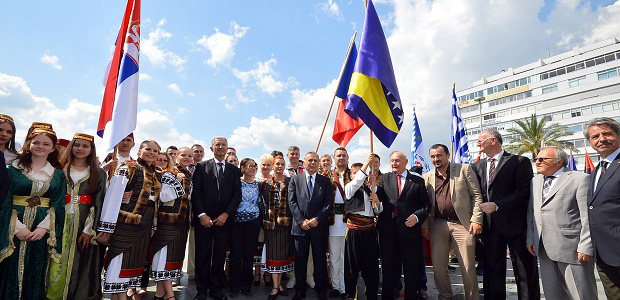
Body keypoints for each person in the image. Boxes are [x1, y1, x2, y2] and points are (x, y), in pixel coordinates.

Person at [96, 140, 183, 300]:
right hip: (126, 222)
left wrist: (154, 226)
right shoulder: (129, 167)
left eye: (156, 151)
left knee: (133, 262)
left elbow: (165, 197)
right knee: (119, 260)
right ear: (139, 151)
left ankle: (119, 297)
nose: (152, 153)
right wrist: (106, 227)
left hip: (146, 223)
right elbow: (113, 195)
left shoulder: (158, 173)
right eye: (148, 149)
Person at [470, 129, 539, 299]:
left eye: (481, 141)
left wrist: (498, 205)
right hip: (490, 226)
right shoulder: (476, 166)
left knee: (524, 270)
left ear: (493, 140)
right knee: (492, 270)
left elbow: (523, 192)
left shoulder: (518, 161)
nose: (478, 144)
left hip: (516, 225)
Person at [0, 127, 65, 299]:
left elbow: (58, 204)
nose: (40, 146)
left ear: (52, 148)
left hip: (40, 230)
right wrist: (16, 227)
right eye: (36, 142)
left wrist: (44, 228)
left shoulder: (58, 175)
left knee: (36, 270)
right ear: (28, 144)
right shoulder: (11, 169)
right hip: (12, 227)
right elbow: (4, 200)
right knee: (9, 269)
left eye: (46, 144)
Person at [525, 146, 596, 299]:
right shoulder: (535, 181)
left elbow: (587, 216)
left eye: (543, 159)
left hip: (572, 248)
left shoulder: (579, 178)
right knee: (553, 293)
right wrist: (531, 238)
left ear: (559, 161)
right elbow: (532, 212)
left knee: (580, 294)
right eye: (536, 159)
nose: (537, 162)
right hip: (543, 248)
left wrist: (585, 246)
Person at [45, 133, 107, 300]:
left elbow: (99, 202)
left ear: (91, 150)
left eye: (85, 146)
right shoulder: (59, 169)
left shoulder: (98, 173)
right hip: (58, 219)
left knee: (82, 260)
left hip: (84, 221)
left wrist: (89, 230)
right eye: (77, 145)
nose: (80, 149)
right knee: (55, 259)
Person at [420, 144, 483, 300]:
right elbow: (425, 204)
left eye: (439, 155)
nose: (436, 159)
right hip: (439, 225)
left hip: (463, 224)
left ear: (448, 155)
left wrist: (476, 220)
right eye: (433, 156)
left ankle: (472, 298)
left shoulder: (464, 170)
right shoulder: (427, 177)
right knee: (439, 268)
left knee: (467, 268)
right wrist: (425, 225)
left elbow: (477, 196)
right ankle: (445, 296)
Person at [191, 137, 242, 300]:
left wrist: (226, 214)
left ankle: (216, 289)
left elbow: (236, 195)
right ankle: (201, 289)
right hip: (204, 220)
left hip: (224, 220)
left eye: (223, 145)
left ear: (227, 148)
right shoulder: (201, 166)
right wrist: (201, 215)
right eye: (217, 145)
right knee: (202, 255)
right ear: (212, 148)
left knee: (219, 256)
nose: (220, 147)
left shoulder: (234, 170)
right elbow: (196, 193)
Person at [376, 151, 431, 300]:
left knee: (411, 266)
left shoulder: (417, 181)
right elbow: (378, 200)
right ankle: (388, 294)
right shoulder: (384, 179)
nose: (394, 163)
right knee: (388, 266)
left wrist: (416, 216)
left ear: (406, 162)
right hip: (388, 230)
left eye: (397, 160)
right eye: (392, 160)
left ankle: (412, 295)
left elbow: (426, 205)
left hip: (409, 230)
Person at [288, 152, 334, 300]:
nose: (313, 163)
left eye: (315, 160)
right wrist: (301, 221)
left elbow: (328, 203)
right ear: (304, 163)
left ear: (319, 162)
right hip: (300, 227)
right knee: (300, 260)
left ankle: (321, 289)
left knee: (320, 259)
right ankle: (300, 289)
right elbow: (292, 202)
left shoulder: (325, 181)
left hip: (318, 227)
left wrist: (317, 219)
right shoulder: (295, 180)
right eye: (310, 160)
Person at [583, 117, 620, 298]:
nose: (601, 139)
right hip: (603, 252)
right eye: (595, 136)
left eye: (607, 134)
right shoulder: (597, 168)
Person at [151, 147, 194, 300]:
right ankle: (169, 294)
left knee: (173, 257)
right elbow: (161, 197)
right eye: (183, 155)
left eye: (190, 155)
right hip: (167, 221)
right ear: (176, 157)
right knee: (163, 256)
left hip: (181, 223)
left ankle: (159, 293)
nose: (187, 158)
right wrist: (178, 181)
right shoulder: (167, 173)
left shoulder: (188, 174)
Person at [343, 156, 383, 300]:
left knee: (371, 268)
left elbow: (379, 210)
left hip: (370, 231)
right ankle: (350, 295)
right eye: (357, 172)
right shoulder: (349, 188)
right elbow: (354, 184)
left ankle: (371, 295)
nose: (360, 174)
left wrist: (377, 200)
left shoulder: (373, 188)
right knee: (351, 268)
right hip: (354, 231)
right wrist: (366, 164)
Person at [262, 155, 294, 300]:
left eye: (282, 164)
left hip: (286, 225)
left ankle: (279, 283)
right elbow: (261, 202)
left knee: (283, 255)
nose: (279, 166)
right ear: (272, 166)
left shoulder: (290, 182)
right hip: (271, 226)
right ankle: (275, 286)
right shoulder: (266, 184)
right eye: (277, 164)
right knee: (273, 255)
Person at [228, 158, 262, 298]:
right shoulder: (236, 183)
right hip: (236, 222)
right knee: (236, 255)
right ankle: (234, 286)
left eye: (255, 166)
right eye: (250, 166)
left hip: (253, 223)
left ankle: (247, 286)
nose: (254, 168)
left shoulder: (260, 185)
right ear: (242, 168)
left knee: (248, 256)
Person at [326, 148, 350, 299]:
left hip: (349, 221)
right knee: (334, 256)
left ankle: (346, 287)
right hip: (333, 221)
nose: (341, 158)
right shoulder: (327, 175)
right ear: (334, 158)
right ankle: (335, 286)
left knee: (347, 257)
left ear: (348, 158)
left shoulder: (353, 174)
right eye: (338, 156)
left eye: (344, 156)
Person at [187, 143, 205, 281]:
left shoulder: (206, 167)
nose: (198, 154)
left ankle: (197, 271)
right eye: (196, 151)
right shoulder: (186, 168)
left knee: (197, 241)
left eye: (200, 151)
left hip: (199, 208)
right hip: (184, 207)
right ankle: (190, 271)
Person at [256, 153, 274, 286]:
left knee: (268, 246)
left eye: (268, 164)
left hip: (270, 219)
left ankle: (268, 273)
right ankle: (257, 273)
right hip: (256, 218)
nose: (266, 167)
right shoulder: (255, 179)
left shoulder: (274, 180)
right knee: (257, 245)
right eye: (264, 164)